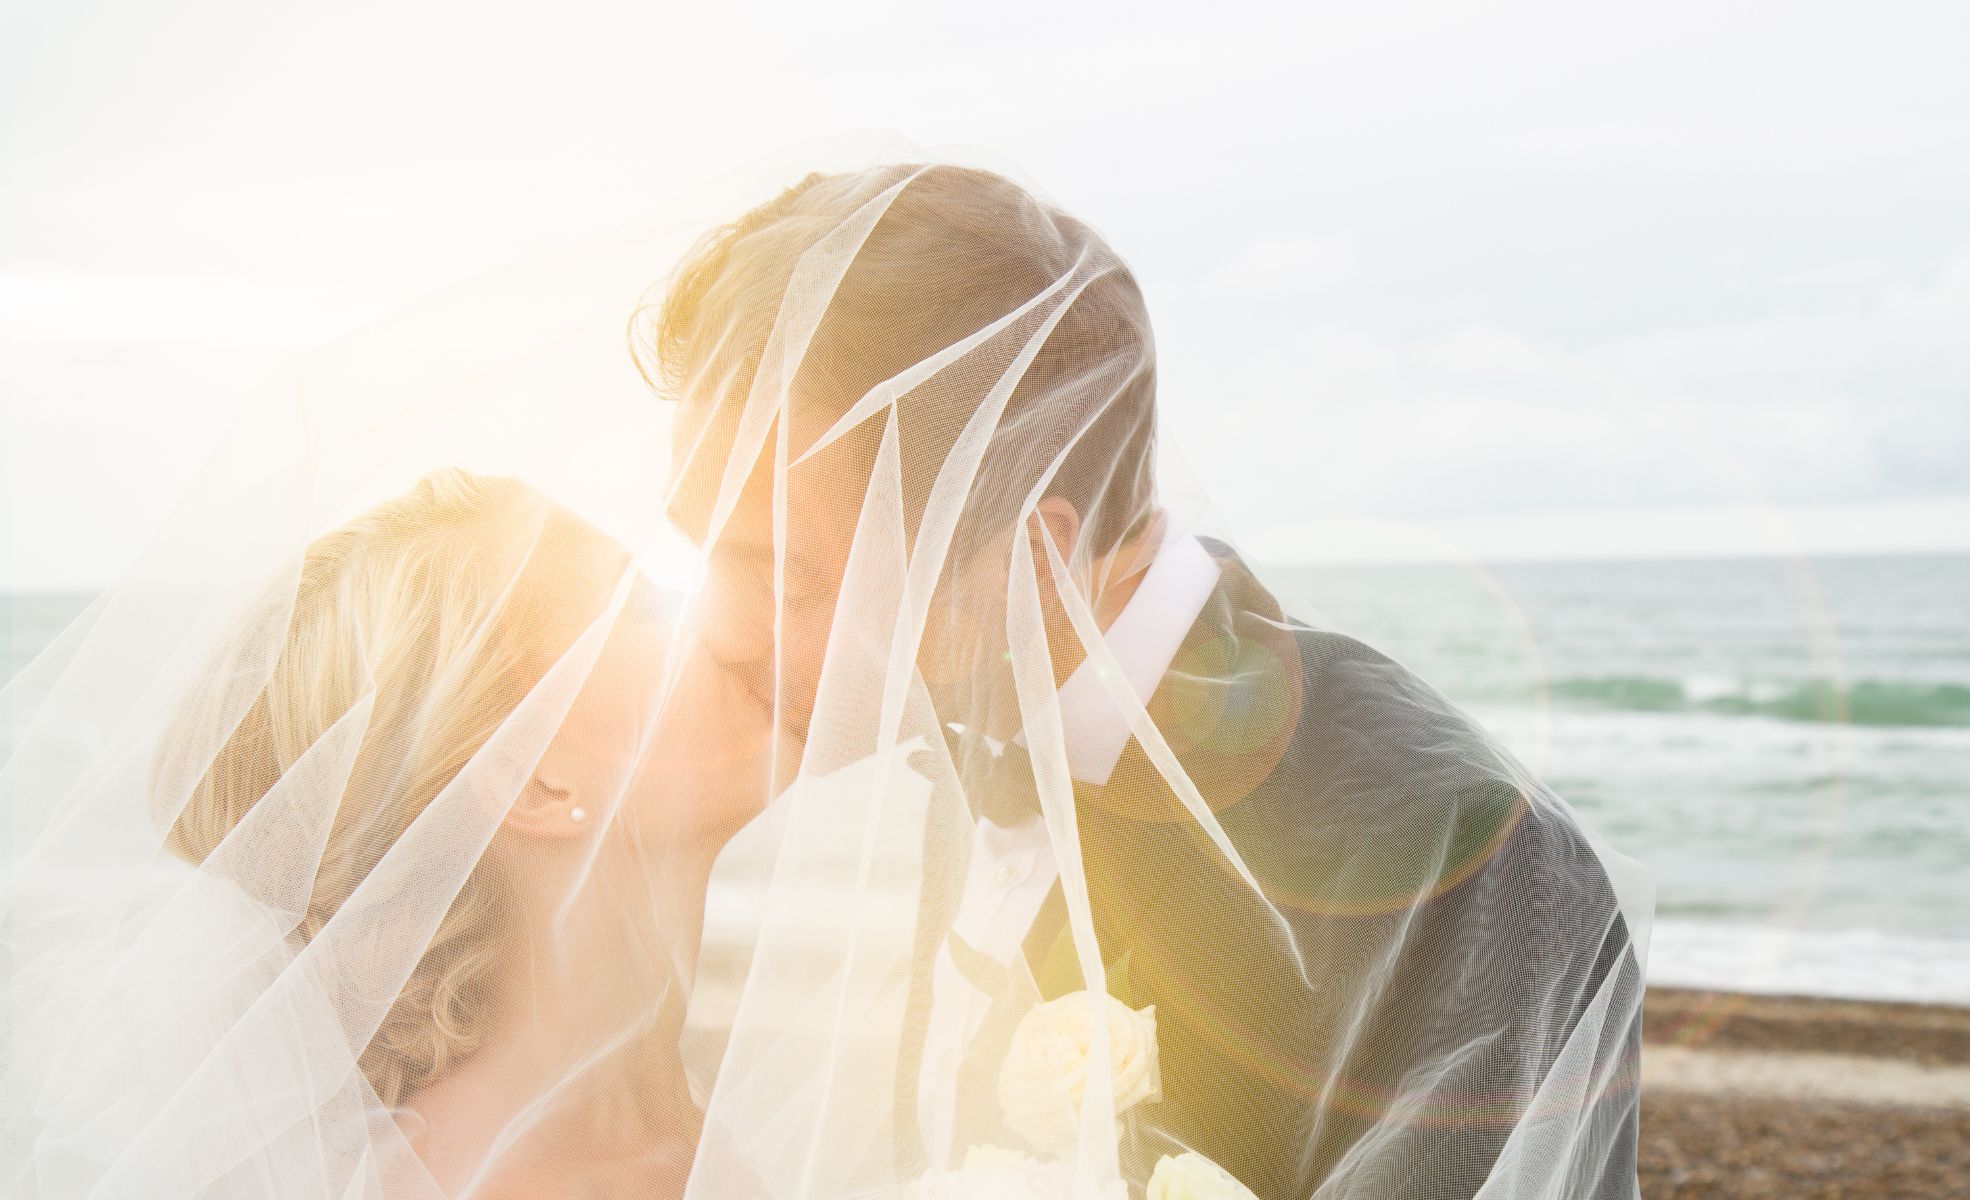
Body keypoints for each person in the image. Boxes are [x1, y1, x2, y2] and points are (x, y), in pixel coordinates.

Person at [652, 162, 1647, 1198]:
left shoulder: (1458, 866)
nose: (714, 633)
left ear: (1032, 562)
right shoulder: (926, 756)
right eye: (701, 557)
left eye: (782, 577)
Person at [1, 468, 777, 1199]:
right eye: (645, 608)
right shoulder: (488, 1180)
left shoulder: (656, 1123)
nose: (734, 627)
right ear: (537, 780)